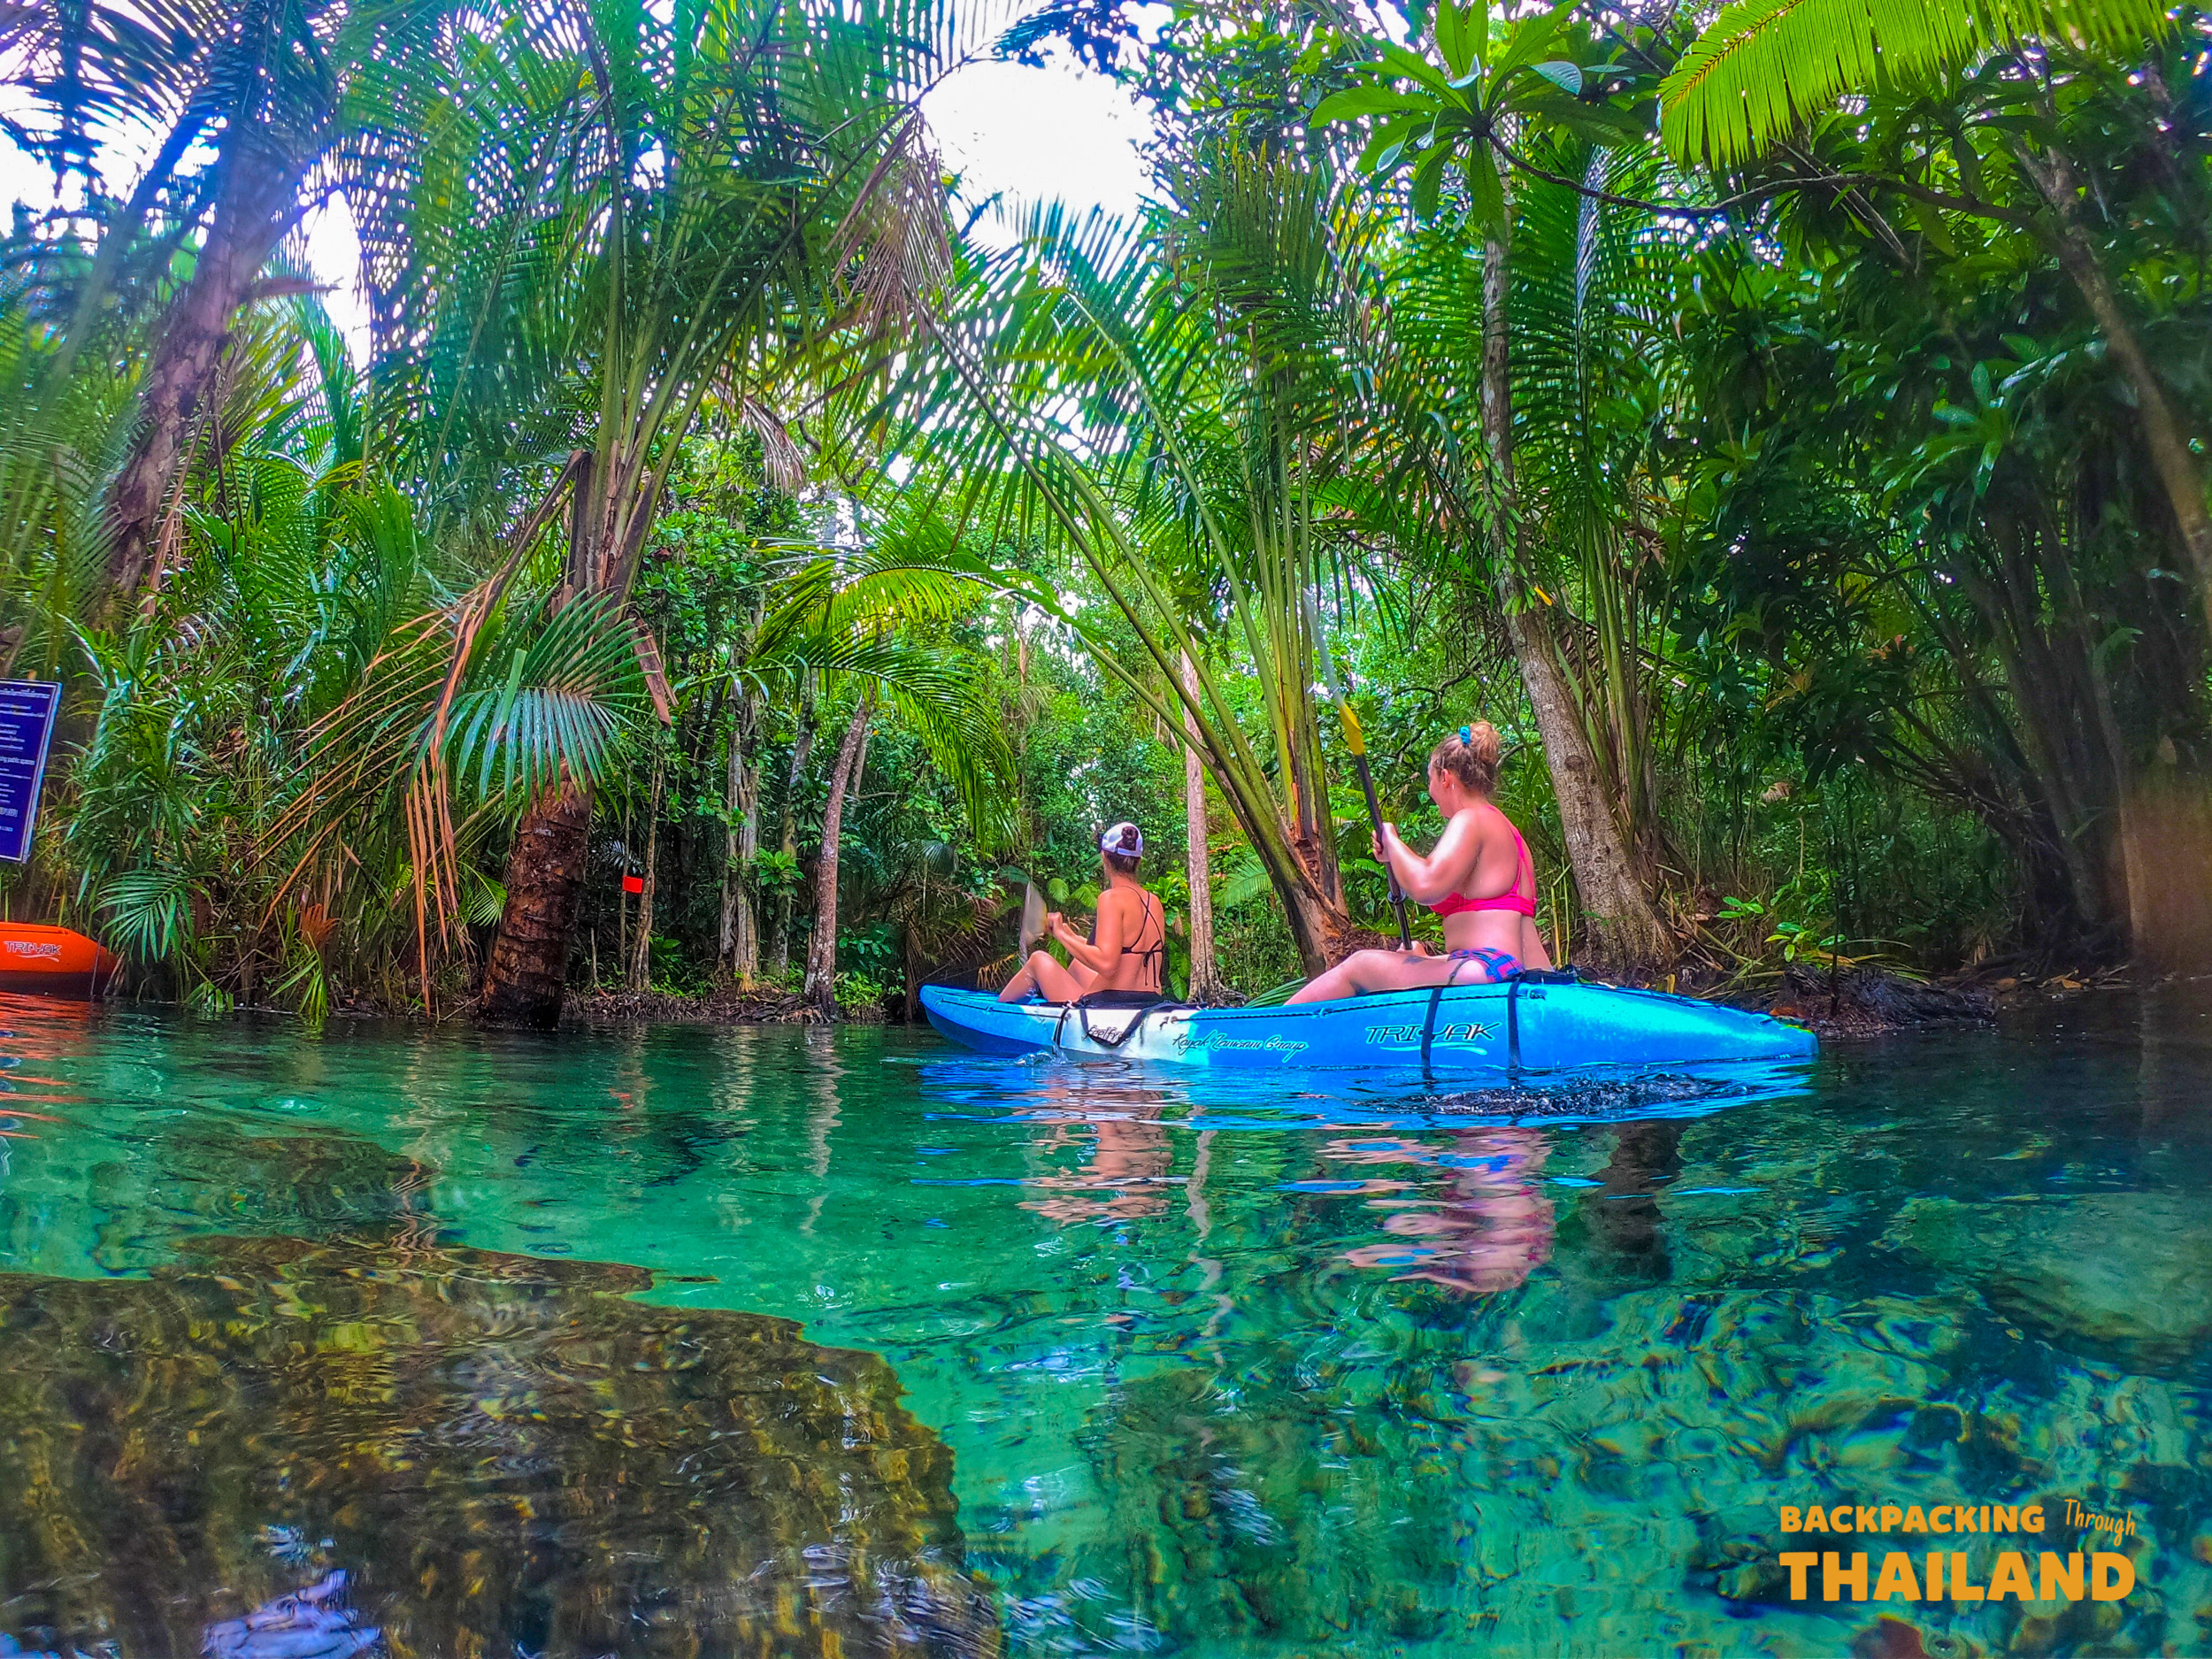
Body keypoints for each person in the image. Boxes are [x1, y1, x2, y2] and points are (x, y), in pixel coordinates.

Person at [1287, 720, 1553, 1004]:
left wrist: (1391, 840)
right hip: (1529, 973)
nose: (1430, 790)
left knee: (1360, 965)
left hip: (1487, 970)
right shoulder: (1509, 832)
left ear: (1445, 778)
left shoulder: (1471, 819)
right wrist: (1425, 959)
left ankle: (1266, 1029)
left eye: (1429, 779)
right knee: (1410, 957)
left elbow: (1426, 885)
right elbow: (1498, 931)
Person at [998, 822, 1167, 1005]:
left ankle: (993, 1015)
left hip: (1112, 1005)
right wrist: (1066, 932)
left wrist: (1061, 935)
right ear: (1138, 861)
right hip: (1148, 1000)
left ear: (1104, 857)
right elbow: (1120, 953)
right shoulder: (1154, 901)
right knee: (1078, 966)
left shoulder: (1111, 898)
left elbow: (1106, 965)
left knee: (1039, 960)